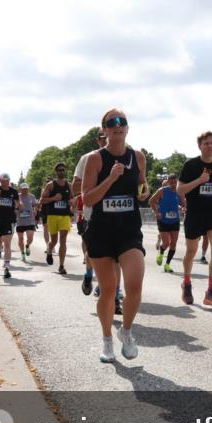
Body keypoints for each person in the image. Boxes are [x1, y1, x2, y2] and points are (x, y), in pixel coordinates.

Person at [81, 108, 149, 363]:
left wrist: (144, 192)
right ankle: (107, 339)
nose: (118, 125)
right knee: (109, 291)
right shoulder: (95, 160)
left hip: (129, 230)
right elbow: (87, 198)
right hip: (101, 231)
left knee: (134, 286)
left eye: (122, 122)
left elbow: (142, 185)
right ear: (105, 130)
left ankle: (126, 331)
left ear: (128, 128)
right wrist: (110, 179)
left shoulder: (138, 157)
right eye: (112, 122)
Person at [177, 131, 212, 306]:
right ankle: (187, 283)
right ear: (200, 146)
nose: (210, 146)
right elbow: (180, 190)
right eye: (206, 143)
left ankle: (210, 291)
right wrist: (199, 180)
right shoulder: (190, 165)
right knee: (191, 251)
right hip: (195, 213)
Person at [74, 131, 109, 296]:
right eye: (103, 139)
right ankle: (89, 274)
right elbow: (75, 186)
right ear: (98, 141)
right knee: (94, 251)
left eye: (108, 138)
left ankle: (110, 291)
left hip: (117, 214)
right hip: (92, 213)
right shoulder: (87, 158)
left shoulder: (125, 156)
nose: (106, 141)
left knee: (114, 255)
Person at [40, 162, 73, 274]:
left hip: (65, 216)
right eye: (59, 170)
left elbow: (73, 200)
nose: (61, 171)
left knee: (63, 240)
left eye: (63, 170)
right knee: (54, 241)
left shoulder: (69, 185)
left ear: (66, 171)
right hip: (52, 216)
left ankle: (61, 266)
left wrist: (72, 202)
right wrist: (53, 198)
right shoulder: (51, 185)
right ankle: (49, 251)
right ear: (56, 171)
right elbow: (42, 200)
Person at [150, 174, 183, 273]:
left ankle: (167, 264)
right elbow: (151, 201)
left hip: (175, 220)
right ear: (168, 182)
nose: (173, 184)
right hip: (163, 219)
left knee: (174, 243)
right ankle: (161, 252)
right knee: (166, 243)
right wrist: (156, 212)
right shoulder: (162, 191)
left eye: (175, 182)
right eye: (171, 183)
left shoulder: (179, 191)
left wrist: (183, 208)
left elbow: (184, 202)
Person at [15, 183, 38, 259]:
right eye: (23, 189)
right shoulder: (17, 196)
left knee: (30, 238)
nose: (25, 190)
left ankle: (27, 246)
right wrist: (18, 206)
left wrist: (35, 210)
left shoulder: (32, 196)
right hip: (20, 222)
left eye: (26, 189)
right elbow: (14, 207)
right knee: (20, 239)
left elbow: (34, 205)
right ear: (20, 189)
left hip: (30, 221)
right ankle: (22, 253)